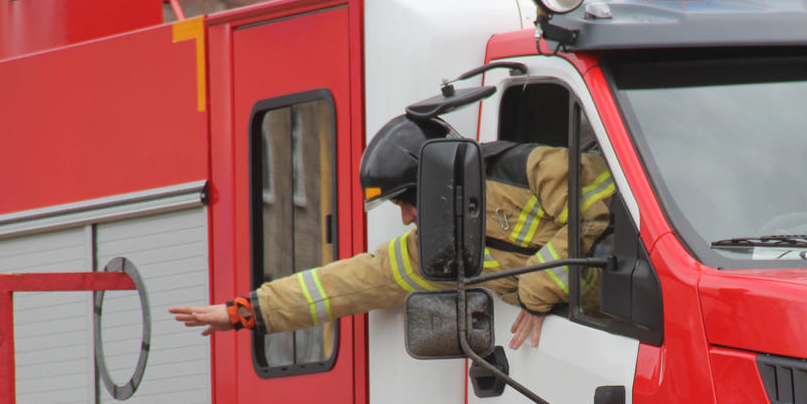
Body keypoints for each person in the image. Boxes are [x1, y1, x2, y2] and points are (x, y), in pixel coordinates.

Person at [171, 114, 616, 350]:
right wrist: (247, 311)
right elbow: (347, 283)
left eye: (406, 201)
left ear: (439, 181)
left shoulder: (535, 167)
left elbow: (598, 212)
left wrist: (536, 292)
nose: (405, 218)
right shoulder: (437, 248)